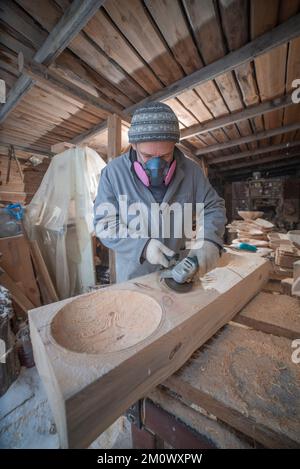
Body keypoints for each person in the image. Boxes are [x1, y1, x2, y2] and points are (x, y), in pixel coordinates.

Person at [94, 102, 226, 283]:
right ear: (133, 144)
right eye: (147, 156)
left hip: (180, 274)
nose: (156, 166)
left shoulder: (192, 171)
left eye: (165, 156)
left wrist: (209, 240)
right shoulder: (112, 174)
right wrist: (143, 246)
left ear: (174, 145)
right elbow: (104, 223)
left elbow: (213, 206)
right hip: (135, 278)